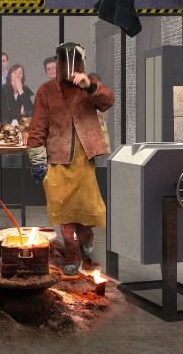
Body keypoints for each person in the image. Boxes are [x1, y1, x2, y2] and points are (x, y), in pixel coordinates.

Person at [27, 42, 115, 276]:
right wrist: (37, 157)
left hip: (84, 160)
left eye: (74, 61)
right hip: (57, 160)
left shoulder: (89, 87)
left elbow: (107, 100)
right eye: (64, 61)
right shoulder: (46, 91)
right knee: (64, 213)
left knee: (85, 212)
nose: (69, 66)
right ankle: (72, 254)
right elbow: (38, 126)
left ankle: (86, 241)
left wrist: (91, 85)